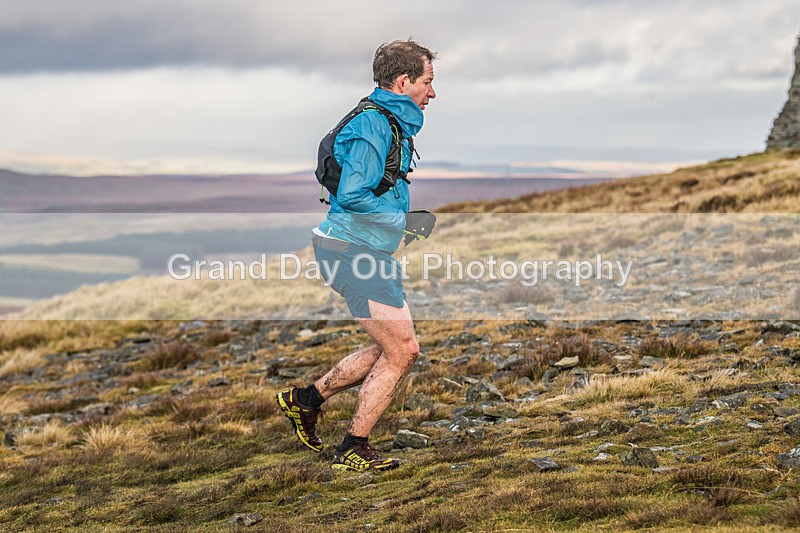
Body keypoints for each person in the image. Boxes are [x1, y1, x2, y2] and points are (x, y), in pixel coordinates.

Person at [276, 39, 437, 472]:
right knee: (403, 350)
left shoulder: (387, 119)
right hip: (351, 250)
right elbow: (352, 196)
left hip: (363, 248)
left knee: (394, 346)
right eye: (427, 81)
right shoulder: (373, 125)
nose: (433, 93)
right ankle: (352, 447)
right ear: (403, 82)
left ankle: (305, 400)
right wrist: (403, 222)